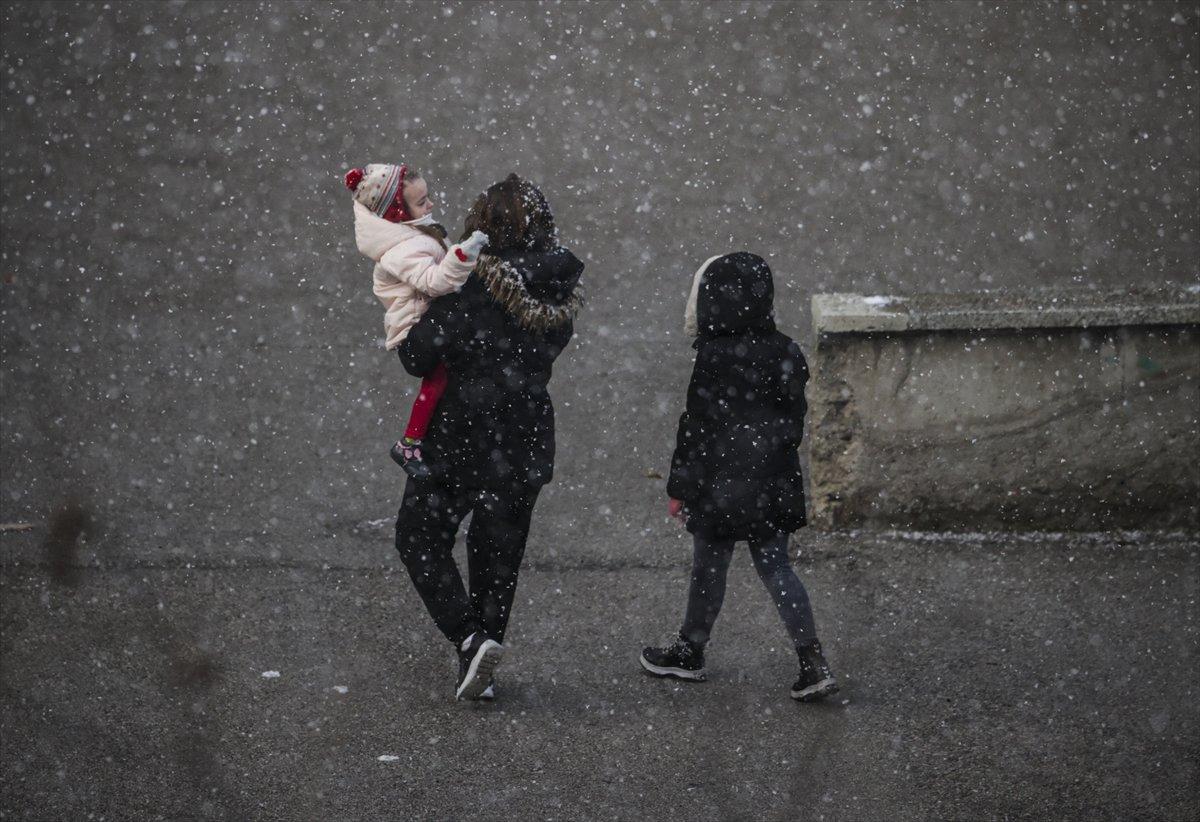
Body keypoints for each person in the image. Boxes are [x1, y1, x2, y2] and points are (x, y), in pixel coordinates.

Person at [394, 174, 583, 701]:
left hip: (460, 437)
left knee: (418, 538)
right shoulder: (559, 287)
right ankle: (482, 661)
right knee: (498, 554)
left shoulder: (471, 287)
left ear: (484, 226)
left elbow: (416, 357)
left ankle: (469, 638)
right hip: (525, 437)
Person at [639, 252, 838, 702]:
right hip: (771, 480)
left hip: (719, 485)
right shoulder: (786, 351)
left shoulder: (714, 357)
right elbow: (793, 421)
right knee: (776, 568)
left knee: (709, 568)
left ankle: (691, 650)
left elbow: (695, 428)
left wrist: (680, 489)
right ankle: (812, 660)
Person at [345, 162, 489, 478]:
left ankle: (415, 440)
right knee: (438, 379)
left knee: (443, 380)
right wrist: (463, 256)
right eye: (422, 202)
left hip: (427, 322)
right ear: (398, 213)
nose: (431, 205)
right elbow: (434, 282)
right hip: (415, 331)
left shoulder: (412, 232)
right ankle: (409, 443)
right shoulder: (400, 250)